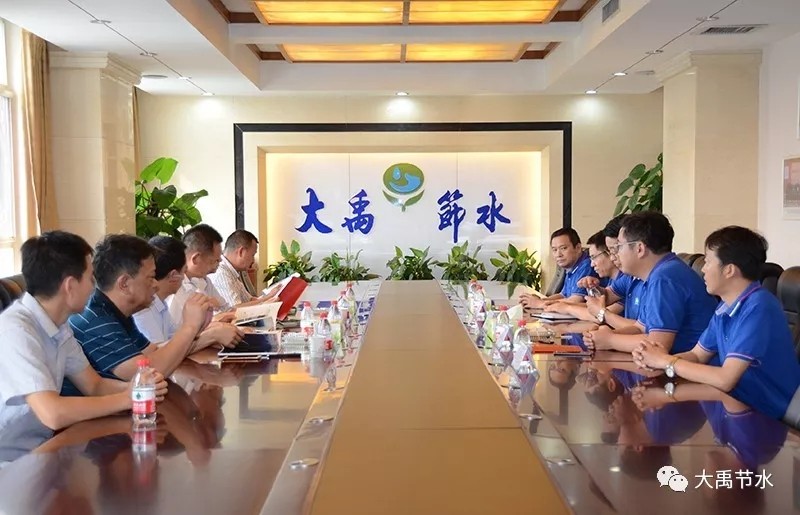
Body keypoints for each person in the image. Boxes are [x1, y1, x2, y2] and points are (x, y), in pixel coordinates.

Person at [633, 226, 800, 426]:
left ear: (729, 270)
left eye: (708, 261)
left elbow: (725, 379)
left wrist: (666, 362)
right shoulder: (725, 306)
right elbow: (697, 355)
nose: (703, 269)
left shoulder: (759, 307)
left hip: (766, 417)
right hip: (734, 405)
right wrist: (654, 360)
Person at [0, 231, 167, 431]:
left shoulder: (60, 326)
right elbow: (53, 414)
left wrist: (142, 388)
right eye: (90, 279)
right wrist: (128, 398)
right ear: (70, 286)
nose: (94, 288)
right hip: (16, 449)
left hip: (46, 440)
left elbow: (95, 386)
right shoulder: (16, 331)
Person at [69, 234, 217, 382]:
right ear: (124, 284)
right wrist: (189, 327)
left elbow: (153, 352)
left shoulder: (115, 311)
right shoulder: (97, 321)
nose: (156, 284)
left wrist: (199, 331)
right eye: (151, 277)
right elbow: (146, 375)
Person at [585, 212, 716, 354]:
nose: (614, 256)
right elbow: (640, 328)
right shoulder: (655, 275)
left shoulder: (665, 277)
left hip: (693, 365)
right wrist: (602, 335)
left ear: (639, 249)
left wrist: (610, 340)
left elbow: (658, 344)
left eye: (619, 247)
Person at [133, 236, 241, 350]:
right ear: (173, 276)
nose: (185, 278)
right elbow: (159, 354)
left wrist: (210, 328)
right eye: (184, 271)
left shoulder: (161, 303)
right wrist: (211, 335)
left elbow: (176, 340)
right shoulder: (143, 308)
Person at [547, 231, 622, 323]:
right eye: (554, 250)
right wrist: (596, 289)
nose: (592, 264)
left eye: (594, 257)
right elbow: (597, 306)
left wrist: (566, 308)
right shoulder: (617, 281)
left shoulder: (627, 278)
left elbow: (599, 316)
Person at [519, 228, 598, 309]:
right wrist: (541, 300)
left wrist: (541, 303)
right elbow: (563, 295)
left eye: (563, 248)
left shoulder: (587, 265)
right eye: (554, 250)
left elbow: (575, 301)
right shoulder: (571, 267)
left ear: (578, 248)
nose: (558, 254)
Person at [168, 224, 227, 327]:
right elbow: (177, 332)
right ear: (196, 259)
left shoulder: (204, 280)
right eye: (214, 261)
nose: (219, 263)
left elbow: (224, 308)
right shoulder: (174, 287)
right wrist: (214, 321)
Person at [208, 230, 278, 309]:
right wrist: (267, 298)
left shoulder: (233, 272)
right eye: (252, 255)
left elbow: (250, 300)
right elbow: (235, 310)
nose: (253, 260)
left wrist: (270, 295)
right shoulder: (221, 273)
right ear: (241, 252)